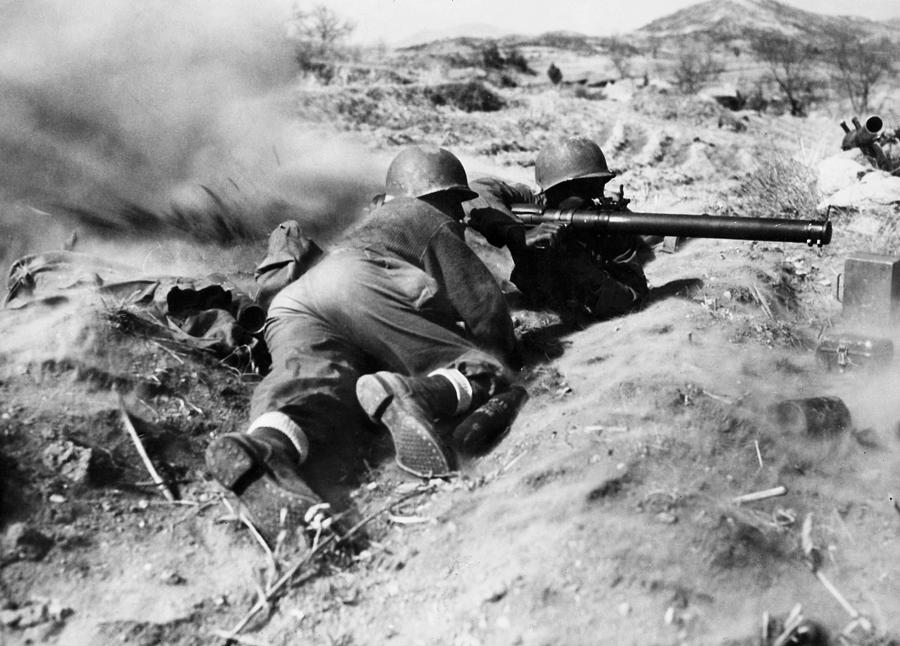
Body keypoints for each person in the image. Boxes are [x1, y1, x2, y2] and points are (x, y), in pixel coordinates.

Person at [205, 145, 520, 544]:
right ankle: (408, 394)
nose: (459, 215)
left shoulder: (369, 223)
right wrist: (507, 360)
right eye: (455, 201)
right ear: (435, 197)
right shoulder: (427, 217)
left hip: (294, 301)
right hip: (354, 284)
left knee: (315, 384)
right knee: (484, 369)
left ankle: (268, 446)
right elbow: (484, 308)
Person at [465, 136, 652, 323]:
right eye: (584, 188)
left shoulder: (611, 227)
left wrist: (581, 264)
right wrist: (517, 234)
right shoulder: (532, 202)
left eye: (599, 185)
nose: (596, 196)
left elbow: (633, 299)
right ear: (555, 190)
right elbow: (476, 191)